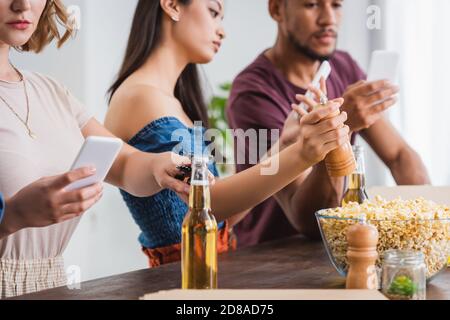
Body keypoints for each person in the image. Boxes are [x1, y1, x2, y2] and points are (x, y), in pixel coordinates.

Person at [105, 0, 350, 267]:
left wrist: (285, 143)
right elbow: (208, 203)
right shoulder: (140, 98)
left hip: (208, 273)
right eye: (213, 12)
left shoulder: (170, 102)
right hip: (182, 281)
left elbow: (219, 218)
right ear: (172, 5)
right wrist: (302, 153)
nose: (222, 31)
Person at [0, 0, 191, 298]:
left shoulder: (51, 91)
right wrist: (11, 215)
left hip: (51, 285)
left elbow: (124, 164)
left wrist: (160, 165)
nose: (23, 4)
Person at [226, 0, 430, 247]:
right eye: (312, 5)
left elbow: (399, 155)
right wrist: (341, 122)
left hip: (335, 250)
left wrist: (430, 229)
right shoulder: (253, 93)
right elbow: (311, 221)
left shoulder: (343, 67)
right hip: (273, 258)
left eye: (336, 5)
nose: (328, 19)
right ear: (277, 9)